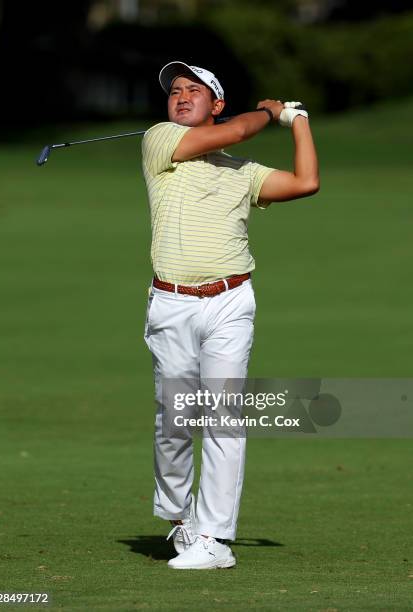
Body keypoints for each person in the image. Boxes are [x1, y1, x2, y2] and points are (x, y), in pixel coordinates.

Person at [141, 60, 319, 570]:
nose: (179, 97)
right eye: (174, 90)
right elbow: (241, 129)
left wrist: (298, 119)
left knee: (222, 419)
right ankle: (179, 519)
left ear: (214, 103)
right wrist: (267, 112)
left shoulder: (245, 174)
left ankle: (214, 539)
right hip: (171, 303)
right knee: (175, 421)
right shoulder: (160, 142)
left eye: (193, 90)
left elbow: (307, 182)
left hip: (230, 301)